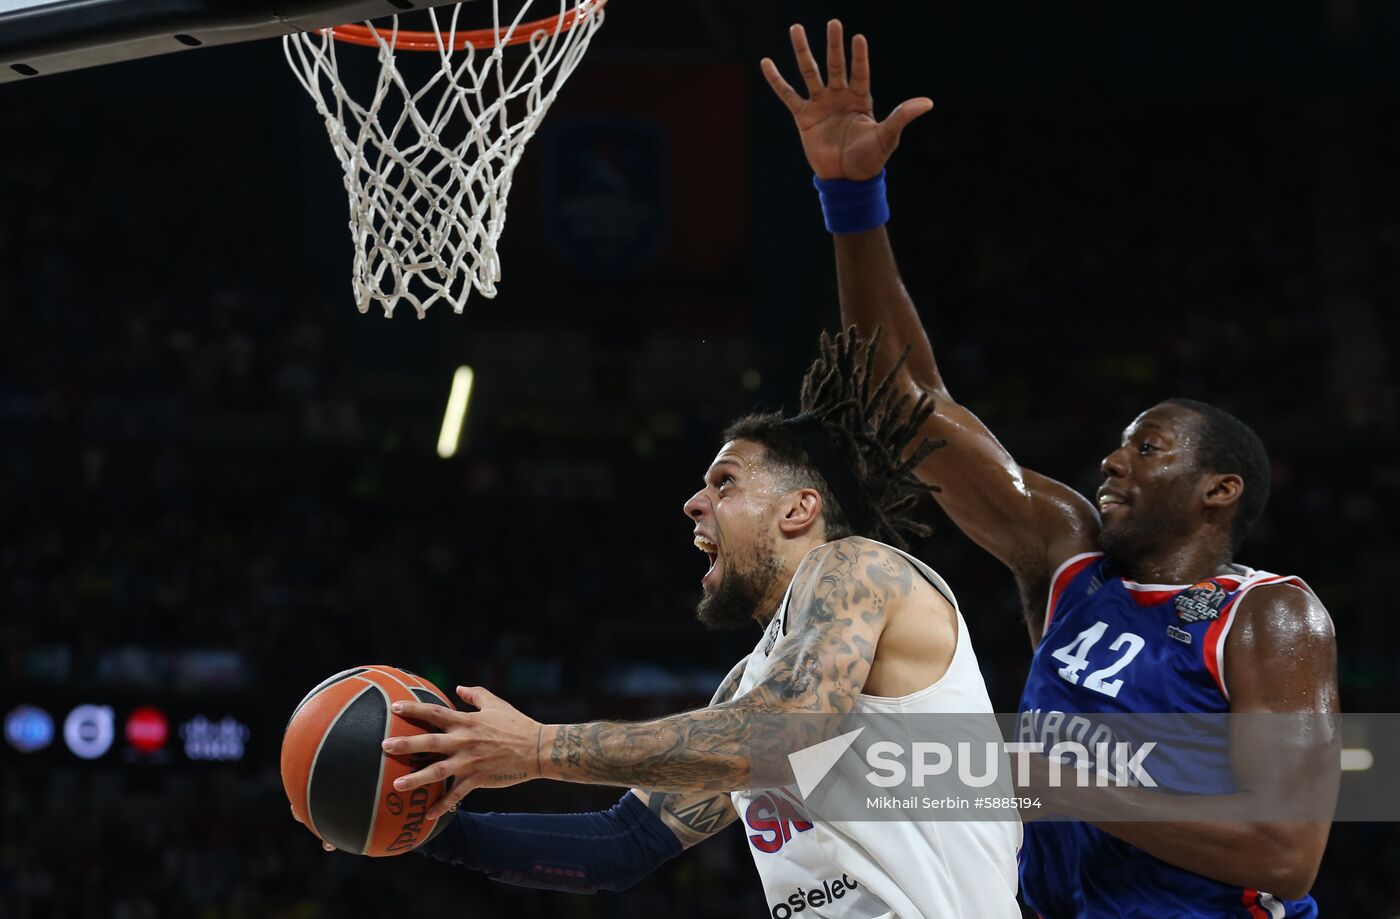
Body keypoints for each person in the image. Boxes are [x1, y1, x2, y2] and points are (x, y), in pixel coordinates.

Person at [759, 18, 1340, 919]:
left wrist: (1063, 782)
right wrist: (852, 196)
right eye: (1120, 438)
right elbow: (901, 400)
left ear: (1219, 490)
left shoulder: (1270, 613)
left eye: (1148, 446)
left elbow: (1288, 850)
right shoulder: (1067, 556)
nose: (1113, 456)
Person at [368, 328, 1022, 918]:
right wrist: (418, 826)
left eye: (726, 481)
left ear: (799, 509)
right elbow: (622, 843)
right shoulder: (748, 685)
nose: (693, 502)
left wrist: (536, 747)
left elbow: (787, 730)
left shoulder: (858, 570)